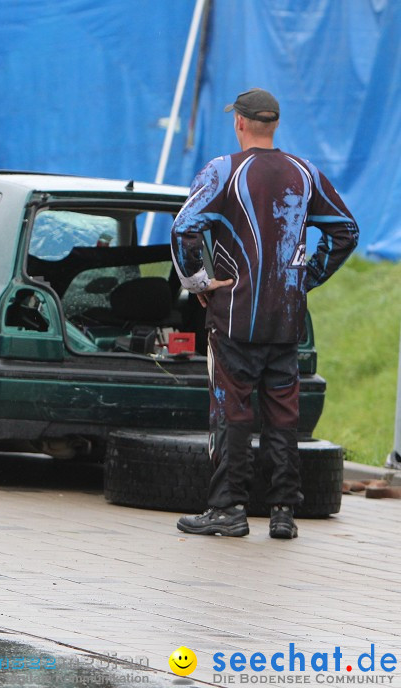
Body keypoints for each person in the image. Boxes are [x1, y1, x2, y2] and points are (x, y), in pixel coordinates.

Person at [170, 88, 359, 539]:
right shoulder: (304, 172)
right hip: (286, 318)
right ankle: (282, 513)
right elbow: (345, 232)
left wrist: (199, 282)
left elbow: (183, 229)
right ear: (274, 125)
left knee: (230, 411)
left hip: (234, 315)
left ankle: (228, 510)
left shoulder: (223, 171)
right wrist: (304, 278)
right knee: (282, 414)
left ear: (239, 123)